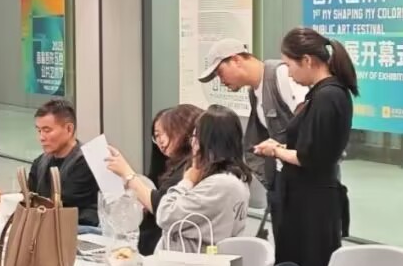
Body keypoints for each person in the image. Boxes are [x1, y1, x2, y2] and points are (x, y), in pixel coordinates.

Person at [254, 27, 356, 266]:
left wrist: (276, 151)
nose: (289, 73)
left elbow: (310, 157)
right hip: (306, 200)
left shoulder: (328, 97)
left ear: (307, 60)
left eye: (290, 65)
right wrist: (280, 147)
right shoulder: (324, 94)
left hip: (313, 206)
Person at [199, 38, 309, 243]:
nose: (220, 81)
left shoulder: (281, 75)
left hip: (306, 185)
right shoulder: (255, 93)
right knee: (286, 249)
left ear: (236, 60)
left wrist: (280, 150)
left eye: (220, 72)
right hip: (283, 184)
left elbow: (311, 126)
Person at [106, 104, 202, 255]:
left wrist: (127, 173)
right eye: (156, 135)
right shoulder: (173, 166)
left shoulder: (191, 168)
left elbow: (161, 206)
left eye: (165, 133)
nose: (160, 140)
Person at [155, 105, 251, 252]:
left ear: (206, 143)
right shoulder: (235, 179)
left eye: (195, 137)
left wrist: (187, 181)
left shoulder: (220, 185)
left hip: (189, 263)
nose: (192, 144)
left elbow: (165, 214)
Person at [28, 98, 99, 228]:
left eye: (47, 130)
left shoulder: (87, 163)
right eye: (39, 131)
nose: (41, 137)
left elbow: (64, 205)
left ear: (69, 129)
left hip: (79, 231)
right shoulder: (40, 162)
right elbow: (28, 198)